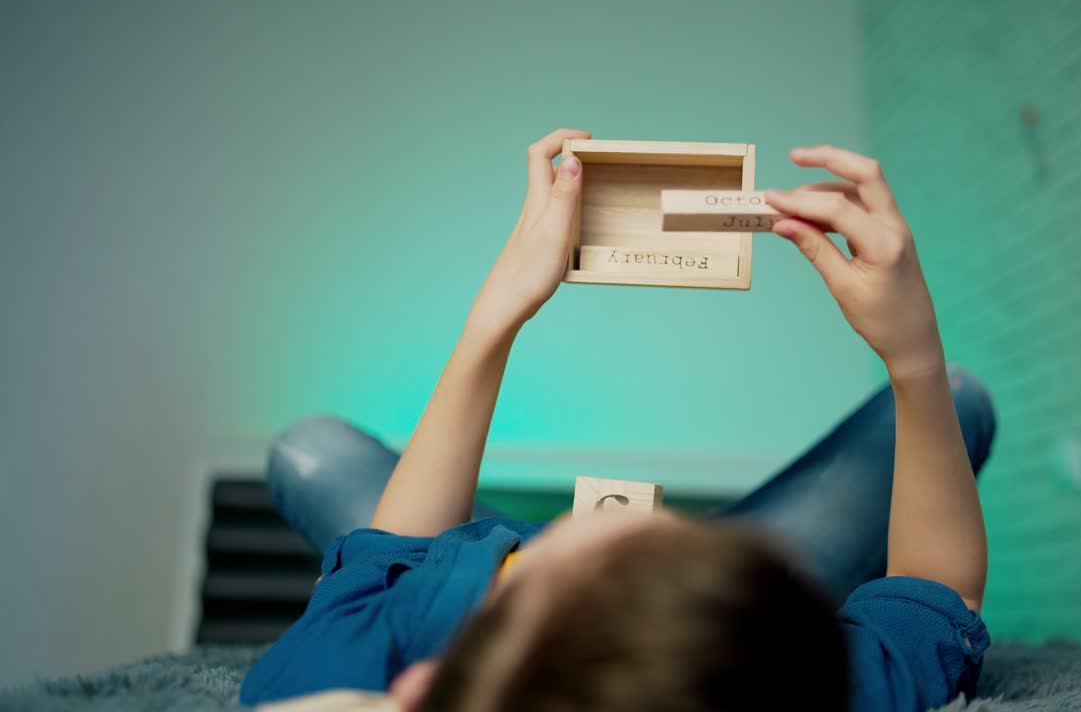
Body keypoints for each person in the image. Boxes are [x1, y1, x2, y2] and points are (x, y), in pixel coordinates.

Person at [240, 129, 998, 712]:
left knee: (309, 450)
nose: (625, 514)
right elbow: (943, 595)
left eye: (529, 568)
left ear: (422, 687)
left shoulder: (333, 671)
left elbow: (389, 556)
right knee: (956, 398)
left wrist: (496, 316)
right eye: (661, 536)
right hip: (734, 606)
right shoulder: (784, 669)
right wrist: (914, 358)